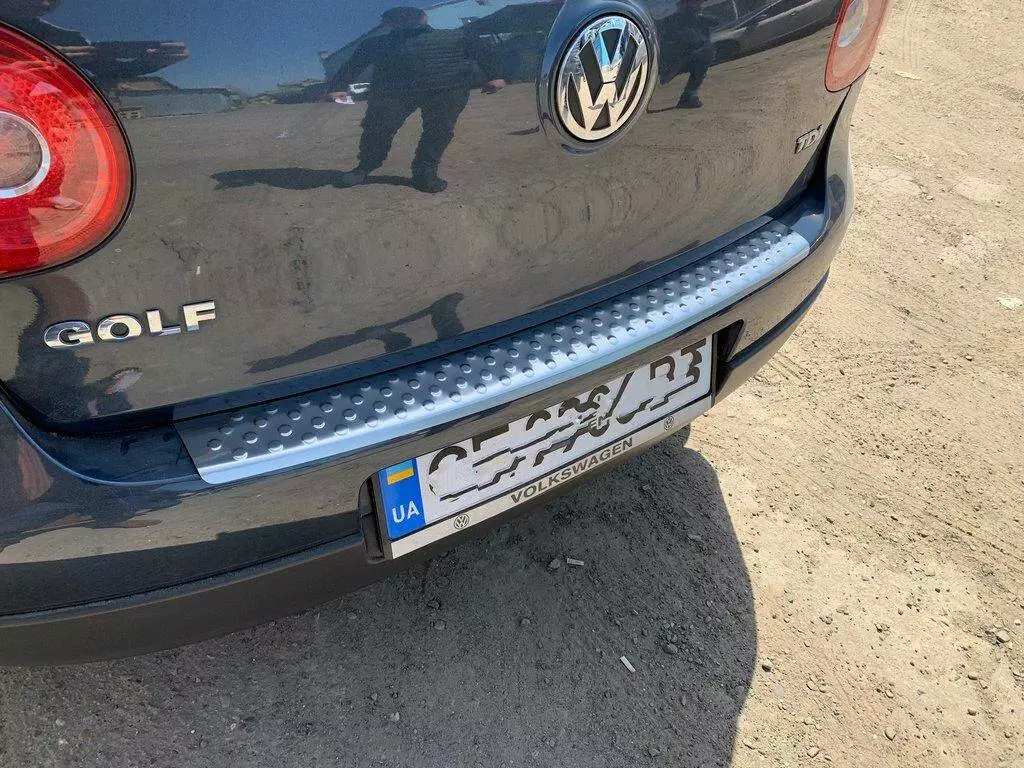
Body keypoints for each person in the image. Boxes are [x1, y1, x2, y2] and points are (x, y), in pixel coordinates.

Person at [326, 7, 506, 193]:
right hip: (395, 92)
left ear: (424, 18)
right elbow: (353, 65)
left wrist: (495, 76)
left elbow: (483, 51)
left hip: (447, 90)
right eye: (400, 18)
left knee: (439, 130)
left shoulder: (456, 36)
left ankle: (425, 172)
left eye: (410, 17)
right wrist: (337, 87)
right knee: (378, 127)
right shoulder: (376, 44)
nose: (406, 20)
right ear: (388, 23)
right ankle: (365, 166)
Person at [658, 0, 716, 108]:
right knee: (664, 79)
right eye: (687, 4)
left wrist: (700, 15)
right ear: (679, 5)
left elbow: (716, 21)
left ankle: (689, 96)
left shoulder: (700, 18)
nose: (690, 7)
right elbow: (667, 36)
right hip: (678, 55)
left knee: (700, 69)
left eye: (694, 4)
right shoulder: (671, 19)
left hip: (697, 54)